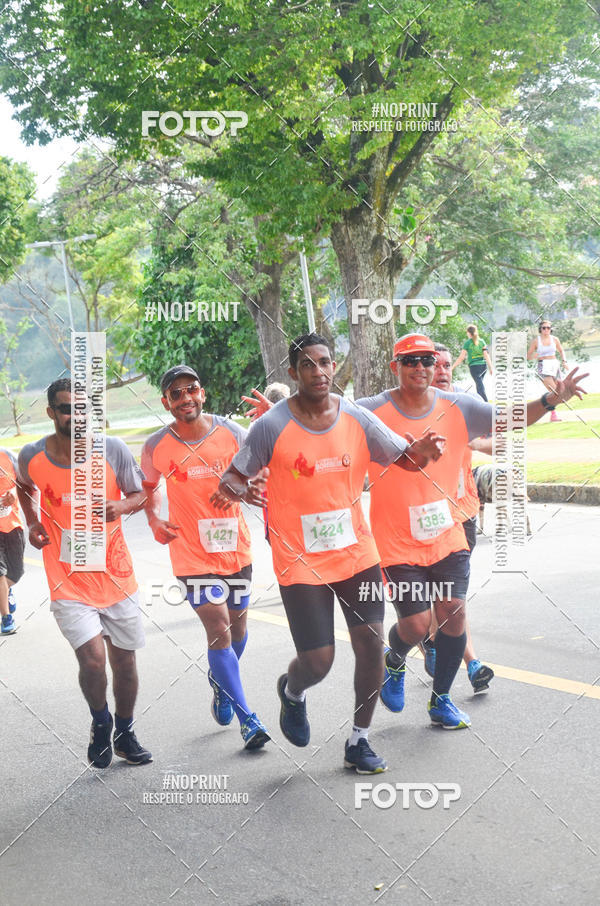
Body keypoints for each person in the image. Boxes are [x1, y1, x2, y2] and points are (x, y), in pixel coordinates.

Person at [219, 333, 445, 774]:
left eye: (325, 363)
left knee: (370, 645)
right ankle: (293, 692)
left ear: (333, 366)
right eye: (308, 365)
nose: (319, 372)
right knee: (318, 662)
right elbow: (230, 479)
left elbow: (404, 458)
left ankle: (359, 740)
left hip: (356, 554)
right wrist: (246, 491)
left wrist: (423, 451)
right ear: (293, 373)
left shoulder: (356, 418)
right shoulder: (272, 426)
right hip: (300, 562)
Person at [358, 334, 586, 730]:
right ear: (395, 366)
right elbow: (325, 420)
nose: (420, 367)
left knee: (453, 614)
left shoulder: (458, 406)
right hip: (395, 537)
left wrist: (552, 399)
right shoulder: (372, 410)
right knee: (414, 625)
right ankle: (394, 661)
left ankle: (440, 699)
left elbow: (509, 418)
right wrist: (281, 416)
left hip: (447, 532)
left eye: (427, 359)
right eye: (410, 360)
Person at [17, 378, 152, 768]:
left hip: (117, 577)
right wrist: (32, 522)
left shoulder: (111, 449)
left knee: (124, 663)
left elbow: (141, 493)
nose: (74, 416)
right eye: (65, 408)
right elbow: (24, 486)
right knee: (93, 660)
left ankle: (124, 731)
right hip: (68, 580)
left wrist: (120, 507)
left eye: (81, 409)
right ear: (51, 413)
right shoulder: (33, 455)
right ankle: (100, 720)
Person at [141, 365, 270, 750]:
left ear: (203, 393)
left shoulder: (232, 433)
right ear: (166, 403)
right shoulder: (156, 446)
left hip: (235, 548)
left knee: (238, 630)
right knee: (218, 628)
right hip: (190, 554)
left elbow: (259, 472)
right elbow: (147, 487)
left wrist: (244, 491)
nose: (185, 399)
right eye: (176, 394)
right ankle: (249, 718)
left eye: (191, 390)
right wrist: (154, 519)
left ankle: (220, 681)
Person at [423, 343, 494, 693]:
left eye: (447, 365)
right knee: (451, 599)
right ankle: (473, 663)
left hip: (466, 510)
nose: (442, 371)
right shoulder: (417, 410)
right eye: (435, 365)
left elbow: (490, 441)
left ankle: (433, 640)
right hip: (432, 517)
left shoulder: (464, 406)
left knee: (448, 597)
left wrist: (482, 445)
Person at [0, 448, 25, 635]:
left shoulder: (8, 456)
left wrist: (14, 494)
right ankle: (6, 618)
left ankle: (5, 591)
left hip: (12, 524)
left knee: (16, 572)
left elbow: (24, 483)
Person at [527, 319, 569, 422]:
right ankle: (552, 414)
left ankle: (548, 412)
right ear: (540, 329)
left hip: (554, 364)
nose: (546, 330)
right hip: (542, 366)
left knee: (559, 391)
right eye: (544, 328)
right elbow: (528, 356)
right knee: (554, 391)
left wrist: (564, 361)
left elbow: (561, 350)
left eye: (548, 328)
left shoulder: (555, 339)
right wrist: (534, 356)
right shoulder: (536, 341)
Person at [452, 324, 493, 401]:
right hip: (483, 367)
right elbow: (486, 355)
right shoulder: (482, 342)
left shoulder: (468, 343)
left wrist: (452, 367)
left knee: (480, 386)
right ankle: (481, 402)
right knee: (479, 385)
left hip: (474, 367)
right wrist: (491, 367)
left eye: (467, 332)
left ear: (468, 333)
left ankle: (485, 403)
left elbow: (461, 357)